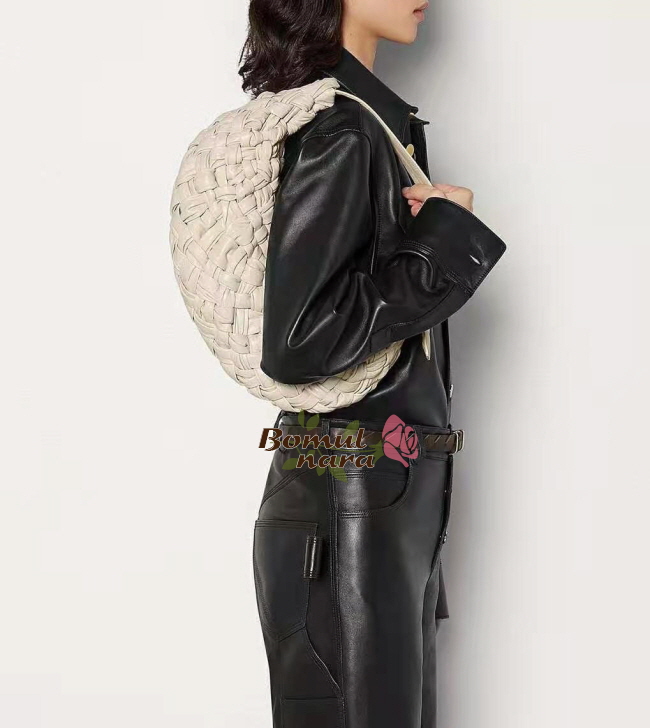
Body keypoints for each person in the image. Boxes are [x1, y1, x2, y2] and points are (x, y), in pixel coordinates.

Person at [240, 2, 507, 726]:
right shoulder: (344, 129)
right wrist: (444, 240)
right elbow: (298, 342)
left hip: (374, 507)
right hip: (349, 511)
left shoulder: (373, 125)